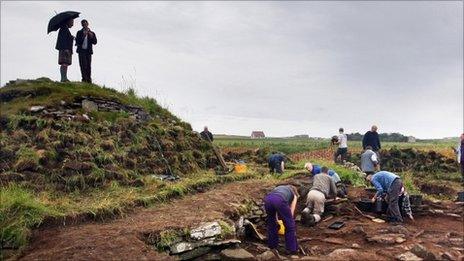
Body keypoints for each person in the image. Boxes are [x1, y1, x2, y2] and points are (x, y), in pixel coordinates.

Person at [263, 185, 299, 255]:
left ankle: (272, 246)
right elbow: (291, 212)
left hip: (268, 199)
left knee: (272, 224)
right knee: (290, 226)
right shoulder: (294, 195)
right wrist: (288, 221)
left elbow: (275, 208)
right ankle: (292, 249)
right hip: (279, 200)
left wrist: (277, 220)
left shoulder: (279, 188)